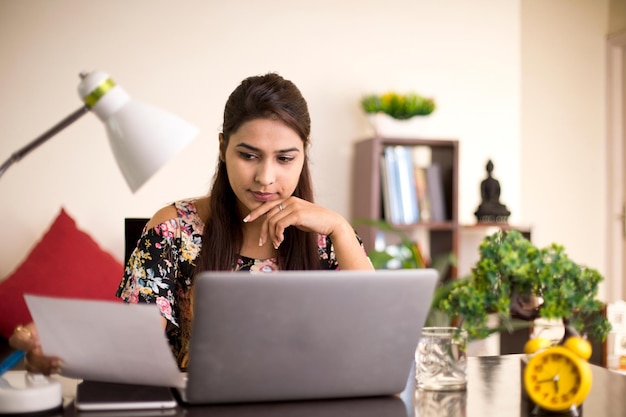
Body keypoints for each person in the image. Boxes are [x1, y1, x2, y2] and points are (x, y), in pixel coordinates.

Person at [9, 73, 373, 374]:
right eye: (249, 155)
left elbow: (373, 333)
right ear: (222, 147)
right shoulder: (173, 229)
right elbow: (136, 341)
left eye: (284, 159)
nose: (265, 177)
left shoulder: (326, 236)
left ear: (303, 154)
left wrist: (341, 229)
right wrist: (57, 346)